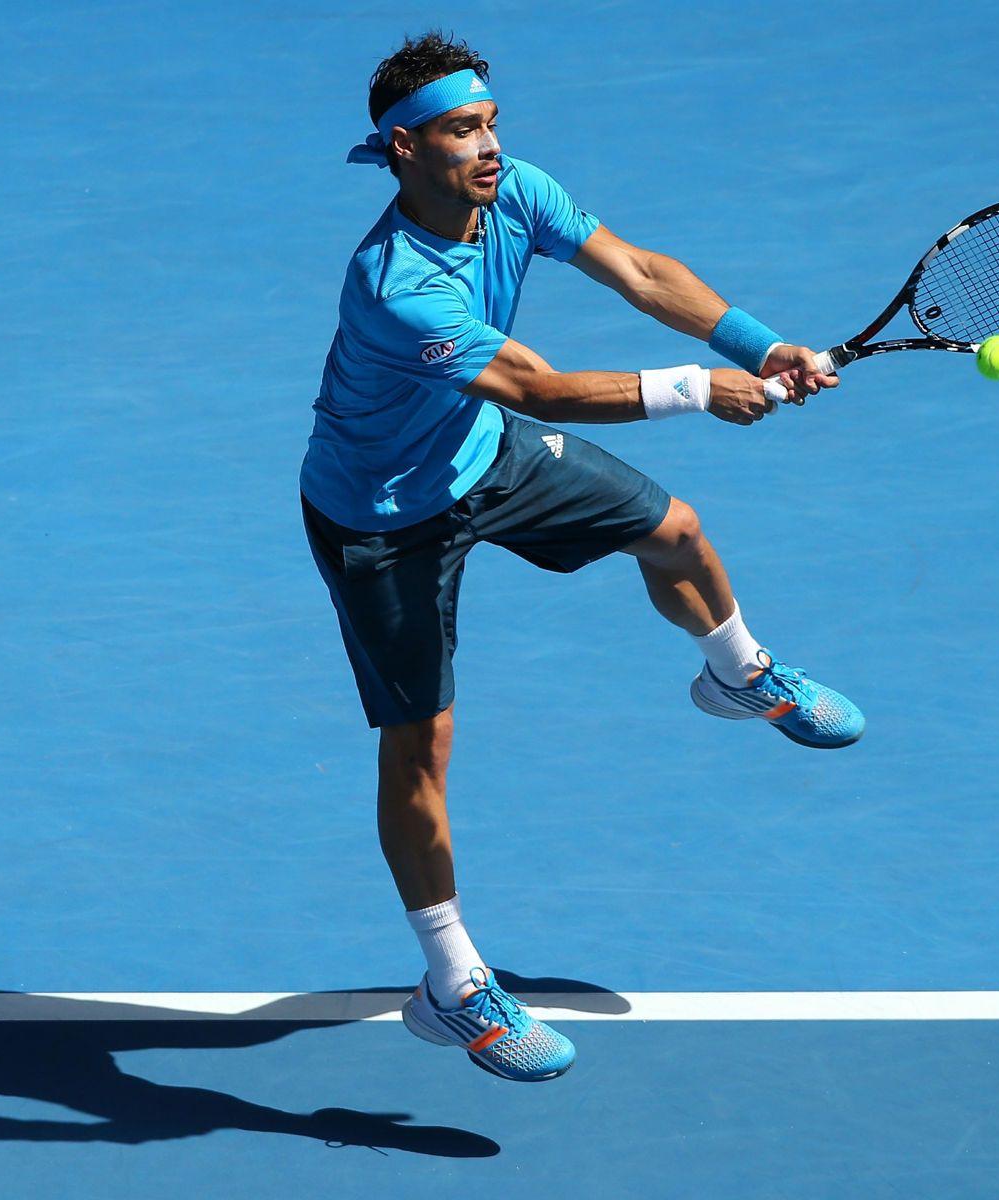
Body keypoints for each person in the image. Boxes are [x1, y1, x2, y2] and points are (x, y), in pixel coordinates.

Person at [301, 31, 864, 1083]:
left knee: (678, 532)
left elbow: (641, 273)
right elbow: (537, 388)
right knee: (420, 749)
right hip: (379, 516)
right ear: (403, 150)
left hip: (479, 458)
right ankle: (452, 983)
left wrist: (755, 344)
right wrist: (698, 390)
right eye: (463, 130)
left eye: (492, 123)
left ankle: (739, 676)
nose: (489, 146)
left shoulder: (518, 193)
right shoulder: (394, 284)